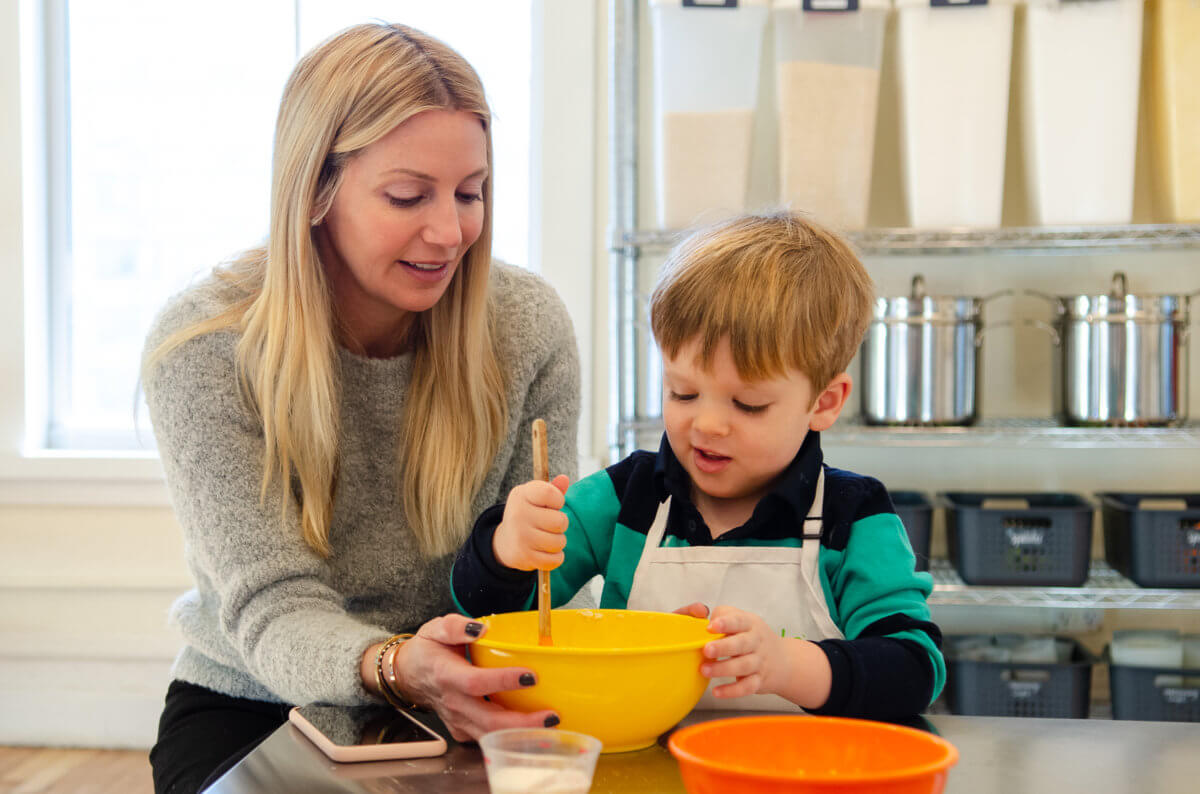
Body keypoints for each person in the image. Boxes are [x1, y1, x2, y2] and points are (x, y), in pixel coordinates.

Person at [142, 23, 582, 794]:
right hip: (258, 704)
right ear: (314, 189)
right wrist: (397, 664)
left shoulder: (527, 327)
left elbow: (542, 586)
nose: (450, 233)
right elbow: (273, 607)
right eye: (407, 195)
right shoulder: (204, 346)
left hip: (471, 699)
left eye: (470, 193)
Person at [452, 211, 945, 718]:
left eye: (748, 404)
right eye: (682, 392)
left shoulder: (856, 518)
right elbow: (486, 614)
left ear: (824, 402)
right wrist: (506, 550)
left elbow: (915, 671)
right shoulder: (625, 499)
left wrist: (789, 665)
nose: (707, 425)